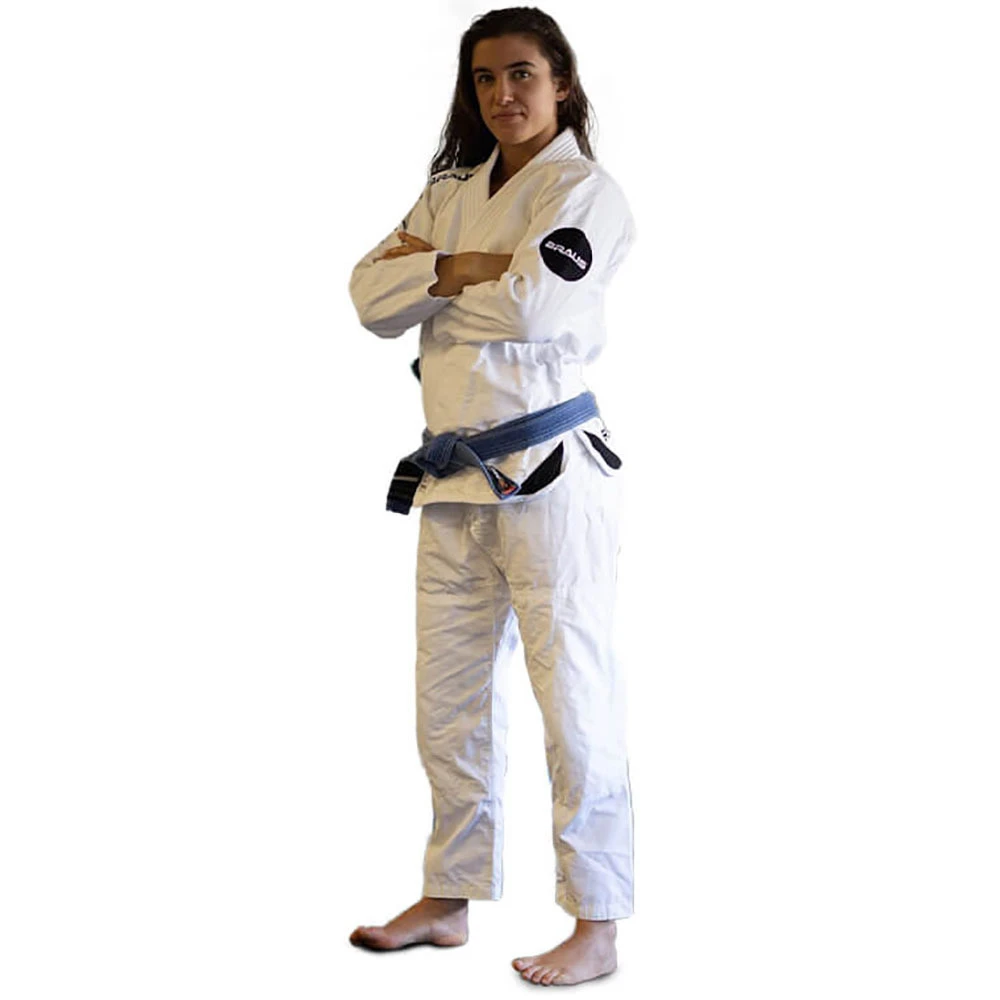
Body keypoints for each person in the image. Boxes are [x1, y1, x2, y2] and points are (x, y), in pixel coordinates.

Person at [346, 6, 637, 988]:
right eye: (484, 78)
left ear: (561, 83)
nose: (502, 94)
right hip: (452, 475)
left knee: (574, 698)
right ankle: (447, 896)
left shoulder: (585, 193)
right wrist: (471, 265)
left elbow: (536, 308)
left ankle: (596, 920)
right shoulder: (451, 192)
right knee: (448, 701)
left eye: (521, 74)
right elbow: (367, 298)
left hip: (552, 475)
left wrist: (432, 284)